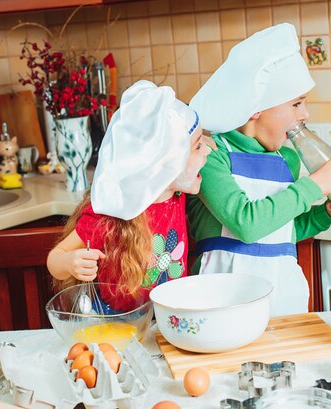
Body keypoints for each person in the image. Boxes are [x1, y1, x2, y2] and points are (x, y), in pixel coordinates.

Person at [187, 23, 331, 316]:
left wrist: (325, 214)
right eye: (296, 103)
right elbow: (247, 224)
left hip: (283, 298)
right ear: (255, 108)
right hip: (221, 302)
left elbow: (282, 231)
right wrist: (314, 186)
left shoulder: (287, 160)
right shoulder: (212, 155)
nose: (304, 114)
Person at [47, 80, 215, 312]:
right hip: (120, 325)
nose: (207, 150)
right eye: (197, 146)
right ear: (165, 163)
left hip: (169, 318)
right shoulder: (113, 210)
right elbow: (55, 258)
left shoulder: (176, 194)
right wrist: (69, 263)